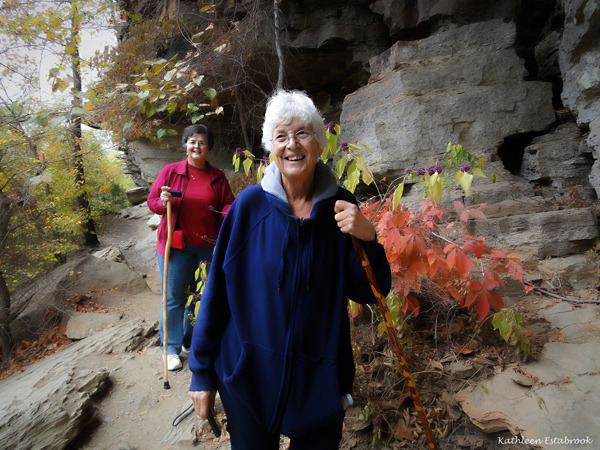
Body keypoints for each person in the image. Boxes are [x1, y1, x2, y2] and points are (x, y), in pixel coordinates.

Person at [187, 90, 391, 449]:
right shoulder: (248, 207)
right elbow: (216, 293)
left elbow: (371, 291)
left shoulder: (343, 209)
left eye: (302, 133)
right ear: (271, 147)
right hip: (248, 374)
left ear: (318, 143)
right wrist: (201, 373)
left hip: (319, 379)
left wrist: (369, 237)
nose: (292, 144)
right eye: (281, 136)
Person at [148, 124, 235, 371]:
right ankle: (170, 348)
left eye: (202, 142)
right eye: (192, 141)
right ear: (186, 144)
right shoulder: (171, 172)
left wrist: (231, 214)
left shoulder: (217, 177)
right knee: (174, 298)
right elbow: (152, 202)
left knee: (199, 298)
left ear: (209, 148)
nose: (196, 146)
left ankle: (188, 341)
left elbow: (227, 205)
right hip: (176, 247)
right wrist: (162, 201)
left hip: (208, 248)